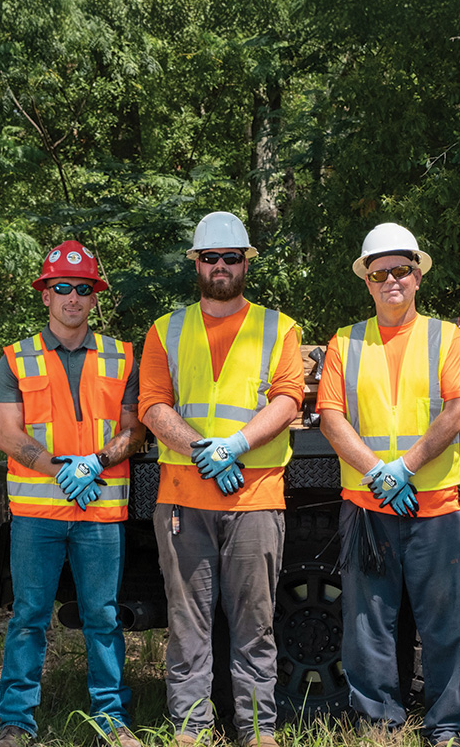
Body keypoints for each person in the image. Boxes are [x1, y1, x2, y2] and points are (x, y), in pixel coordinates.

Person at [139, 212, 304, 747]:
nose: (220, 267)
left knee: (255, 627)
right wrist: (200, 449)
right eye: (210, 258)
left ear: (245, 262)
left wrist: (236, 445)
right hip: (185, 500)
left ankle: (258, 732)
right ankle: (191, 731)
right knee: (188, 628)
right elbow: (152, 405)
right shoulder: (167, 329)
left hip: (256, 498)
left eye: (230, 258)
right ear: (196, 263)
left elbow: (288, 398)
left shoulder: (280, 327)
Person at [316, 223, 460, 747]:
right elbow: (331, 418)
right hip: (367, 506)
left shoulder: (445, 335)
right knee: (367, 626)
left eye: (401, 270)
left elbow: (457, 410)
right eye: (379, 272)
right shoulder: (345, 340)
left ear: (417, 276)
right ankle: (377, 724)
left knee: (444, 625)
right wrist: (378, 475)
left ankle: (447, 725)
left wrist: (404, 467)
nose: (391, 280)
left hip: (435, 506)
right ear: (366, 280)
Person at [0, 241, 145, 747]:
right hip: (37, 513)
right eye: (62, 287)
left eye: (82, 289)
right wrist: (59, 468)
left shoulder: (123, 356)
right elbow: (7, 435)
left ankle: (109, 719)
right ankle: (16, 720)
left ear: (95, 297)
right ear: (45, 295)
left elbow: (134, 432)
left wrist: (96, 462)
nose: (72, 298)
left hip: (100, 513)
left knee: (103, 616)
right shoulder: (17, 358)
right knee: (29, 616)